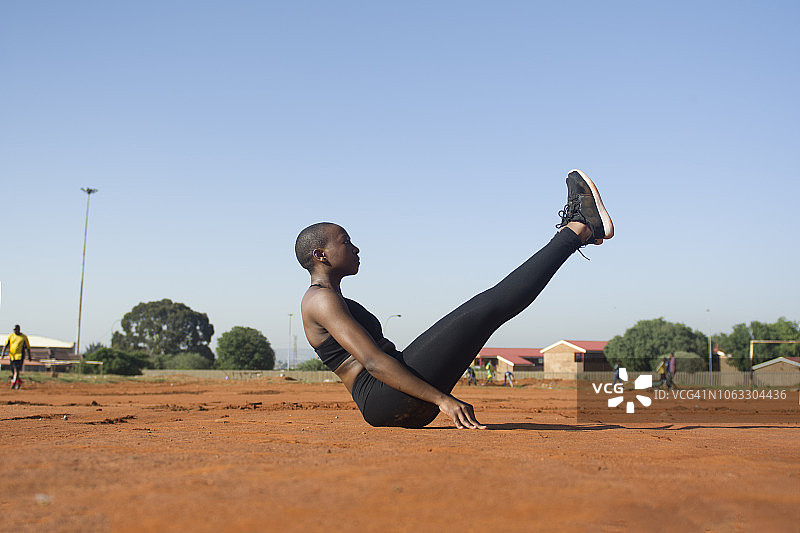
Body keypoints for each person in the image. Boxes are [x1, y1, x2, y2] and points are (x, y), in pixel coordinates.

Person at [297, 169, 614, 429]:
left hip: (392, 400)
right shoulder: (320, 301)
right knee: (486, 308)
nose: (356, 248)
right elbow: (373, 361)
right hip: (385, 398)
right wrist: (442, 400)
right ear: (320, 255)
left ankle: (579, 230)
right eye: (346, 241)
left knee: (488, 312)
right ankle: (579, 227)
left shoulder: (329, 298)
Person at [3, 325, 31, 390]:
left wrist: (29, 356)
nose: (15, 331)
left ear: (19, 329)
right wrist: (3, 354)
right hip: (12, 356)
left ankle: (13, 384)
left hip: (20, 356)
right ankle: (19, 381)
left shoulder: (23, 337)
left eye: (16, 329)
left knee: (16, 370)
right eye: (14, 330)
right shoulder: (11, 336)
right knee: (13, 371)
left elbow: (28, 348)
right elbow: (6, 345)